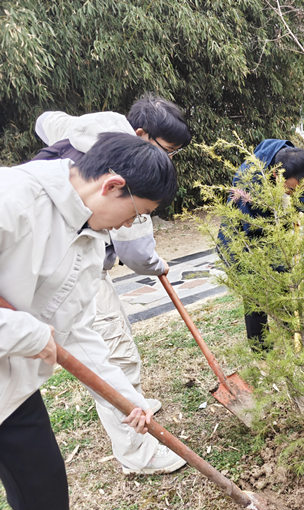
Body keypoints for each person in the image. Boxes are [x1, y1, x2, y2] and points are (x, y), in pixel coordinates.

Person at [0, 133, 179, 510]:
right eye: (137, 213)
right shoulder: (11, 198)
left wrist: (127, 398)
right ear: (112, 186)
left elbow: (78, 331)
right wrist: (25, 334)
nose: (131, 224)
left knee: (45, 497)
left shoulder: (91, 240)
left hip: (11, 391)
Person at [31, 94, 191, 475]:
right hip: (62, 262)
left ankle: (129, 402)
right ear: (141, 134)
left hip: (77, 260)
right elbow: (135, 252)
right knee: (115, 349)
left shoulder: (89, 132)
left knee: (102, 347)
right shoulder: (122, 181)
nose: (167, 161)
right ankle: (137, 452)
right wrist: (156, 264)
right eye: (167, 150)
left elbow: (44, 120)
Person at [217, 139, 304, 353]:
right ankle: (261, 350)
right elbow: (256, 232)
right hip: (242, 240)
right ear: (275, 176)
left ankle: (294, 333)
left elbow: (302, 189)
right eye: (291, 189)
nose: (295, 192)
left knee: (284, 284)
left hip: (271, 231)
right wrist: (281, 265)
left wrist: (300, 206)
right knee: (255, 294)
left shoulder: (293, 162)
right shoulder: (249, 184)